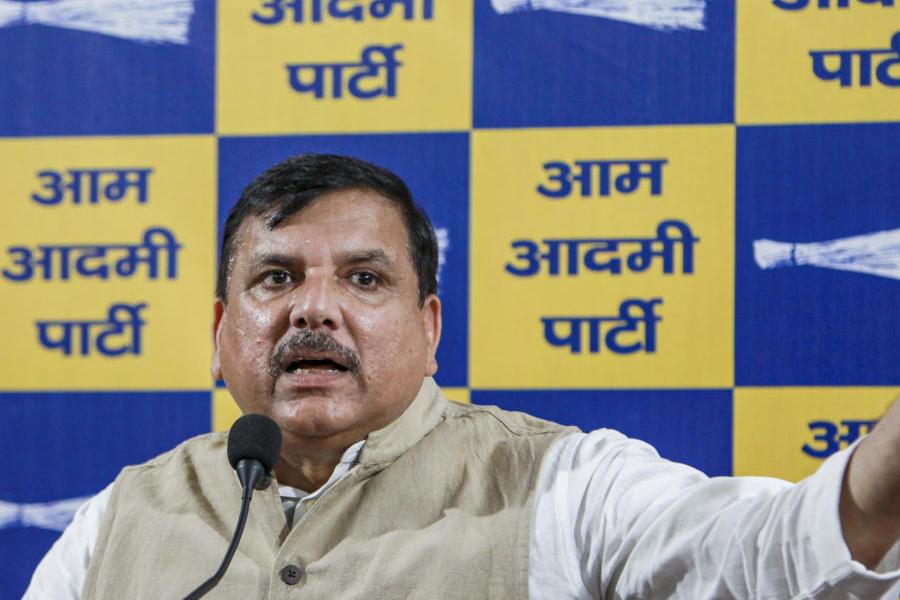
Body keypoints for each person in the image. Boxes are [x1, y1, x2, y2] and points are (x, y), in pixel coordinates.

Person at [25, 153, 900, 598]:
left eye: (364, 279)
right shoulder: (118, 523)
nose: (314, 311)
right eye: (276, 278)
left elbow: (774, 557)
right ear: (222, 335)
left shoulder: (563, 487)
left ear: (429, 326)